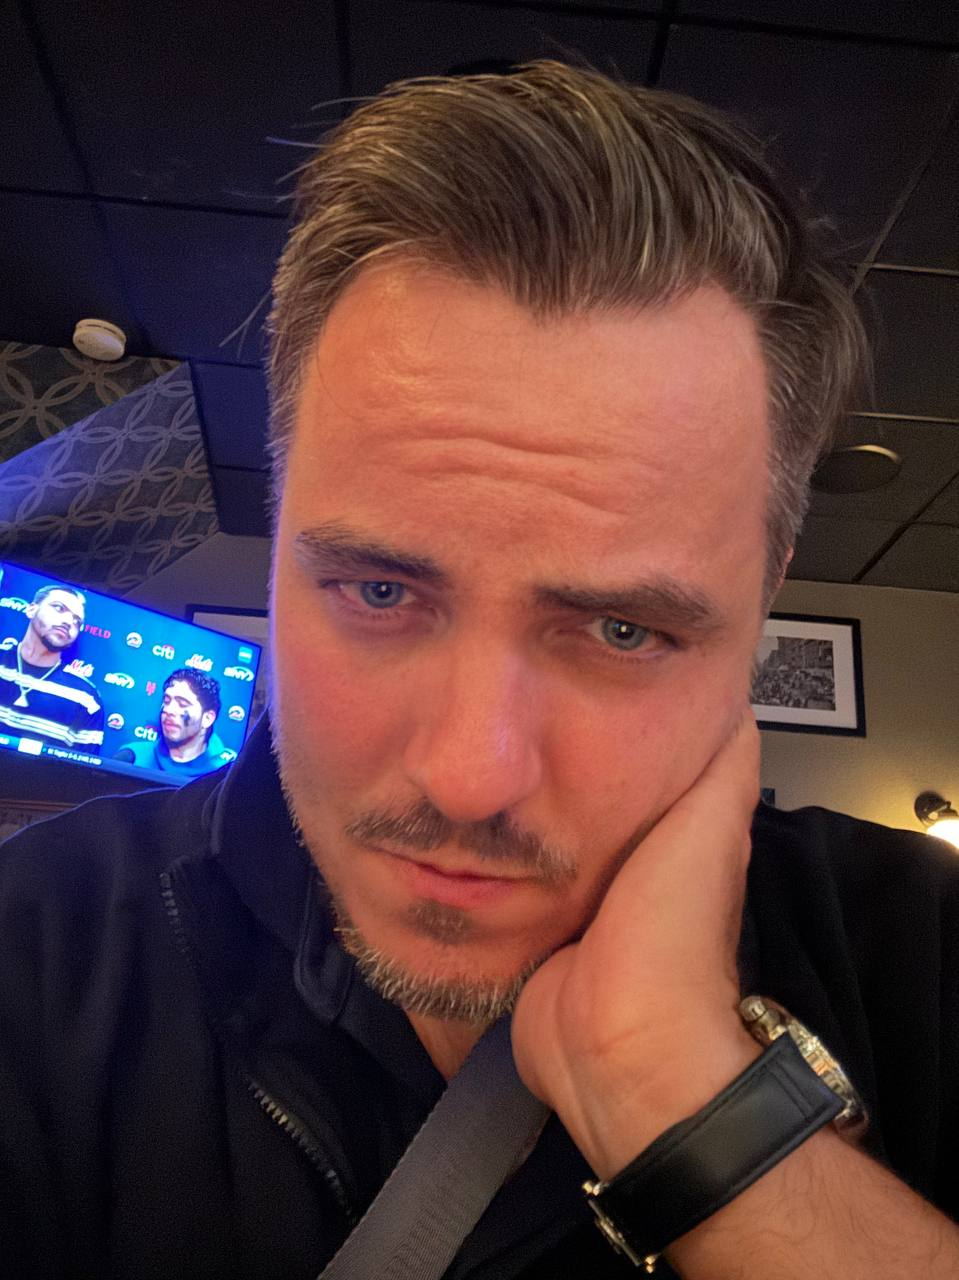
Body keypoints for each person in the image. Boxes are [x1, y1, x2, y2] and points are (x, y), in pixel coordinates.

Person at [1, 61, 958, 1279]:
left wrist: (676, 1091)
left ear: (760, 598)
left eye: (621, 630)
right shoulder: (33, 951)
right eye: (378, 590)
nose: (468, 775)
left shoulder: (925, 960)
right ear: (280, 536)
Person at [0, 583, 104, 754]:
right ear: (31, 610)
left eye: (77, 621)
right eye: (59, 608)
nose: (68, 622)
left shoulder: (86, 699)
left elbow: (81, 768)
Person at [114, 667, 232, 777]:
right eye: (166, 701)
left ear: (208, 718)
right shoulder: (132, 758)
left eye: (182, 704)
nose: (168, 710)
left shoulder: (227, 773)